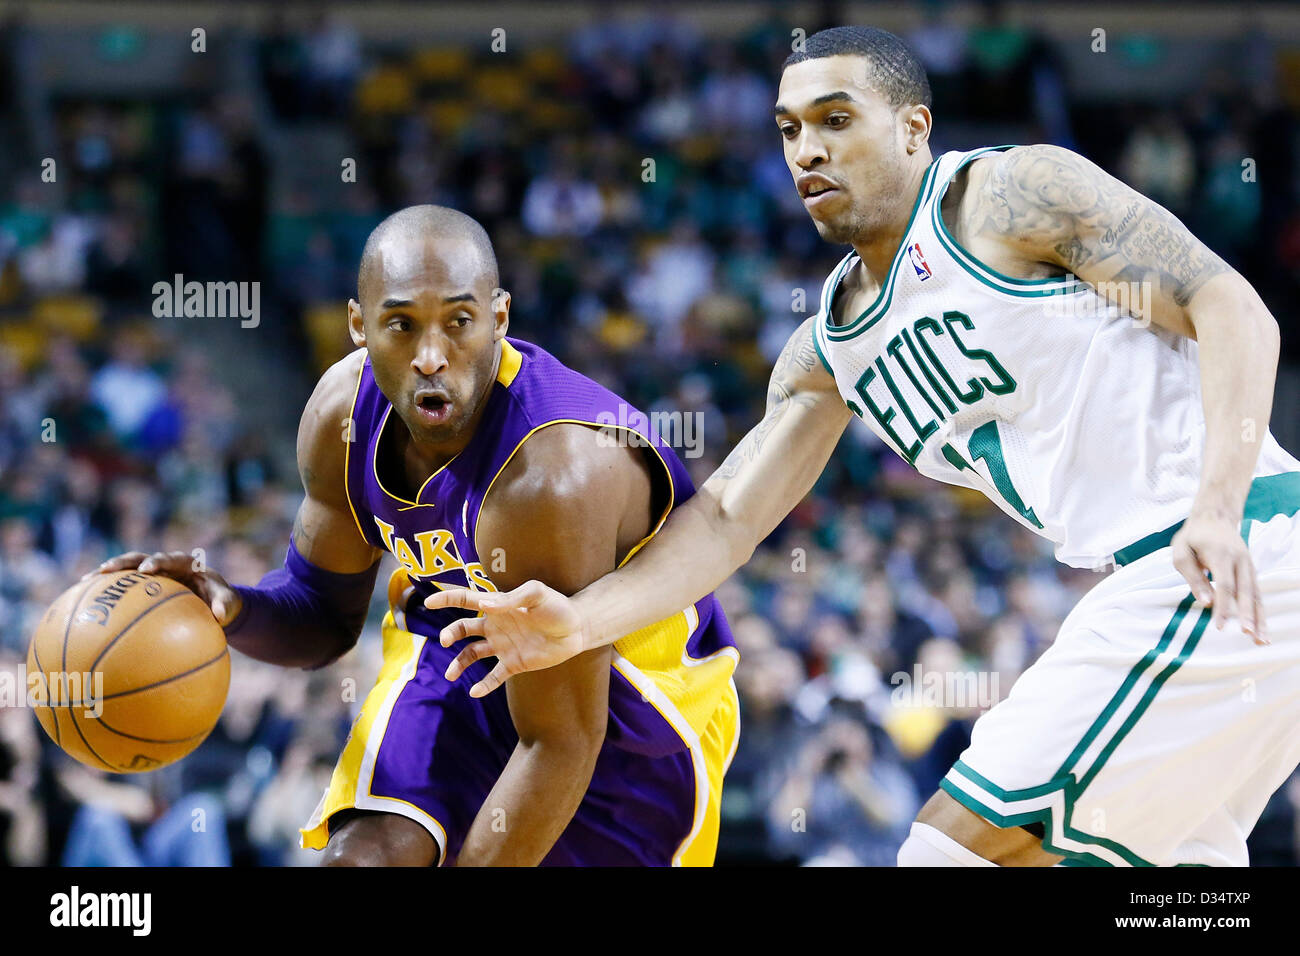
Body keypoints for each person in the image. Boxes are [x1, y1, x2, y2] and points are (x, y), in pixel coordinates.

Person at [427, 27, 1300, 868]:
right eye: (790, 130)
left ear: (914, 127)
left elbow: (1231, 309)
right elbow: (727, 520)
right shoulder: (830, 351)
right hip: (1200, 586)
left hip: (1230, 553)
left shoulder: (1006, 196)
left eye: (835, 120)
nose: (808, 149)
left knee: (949, 853)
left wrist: (1218, 510)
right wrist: (579, 622)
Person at [94, 205, 739, 866]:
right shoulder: (342, 417)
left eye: (459, 322)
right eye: (400, 325)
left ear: (500, 318)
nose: (431, 356)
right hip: (456, 659)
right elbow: (323, 617)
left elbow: (560, 742)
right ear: (357, 326)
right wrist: (228, 607)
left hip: (624, 710)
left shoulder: (551, 475)